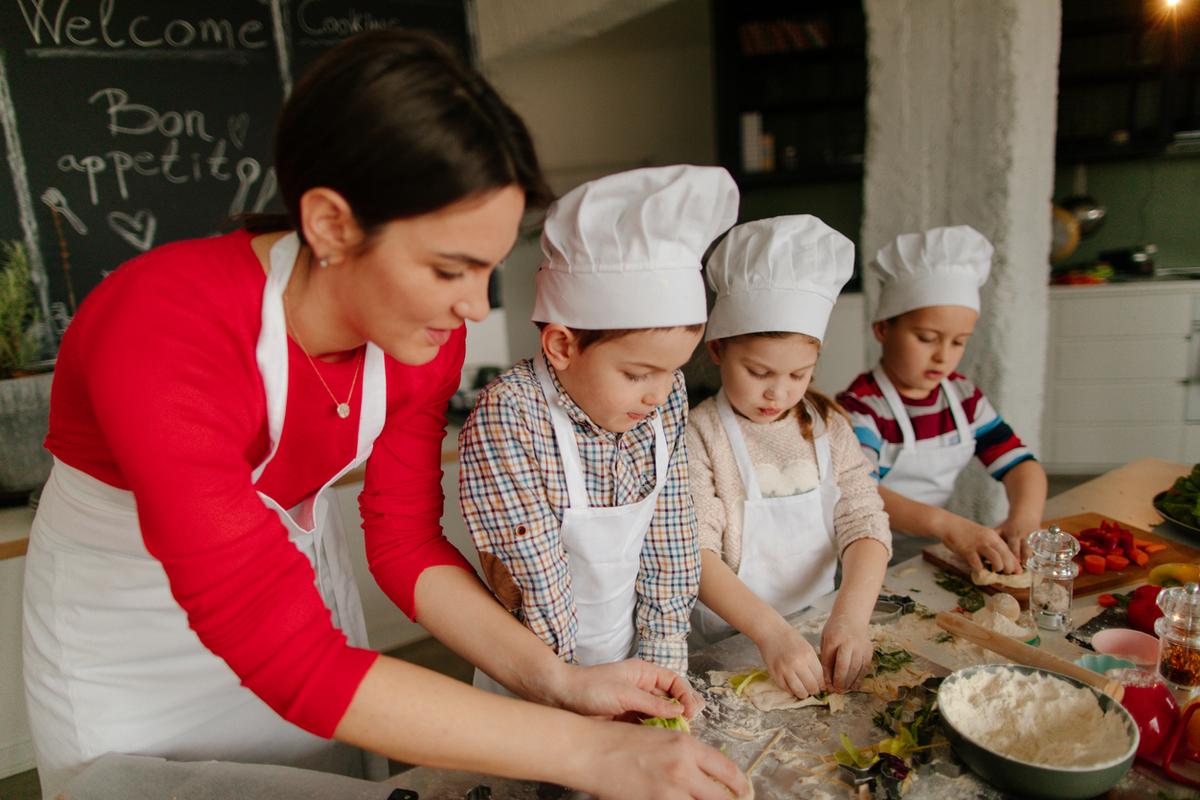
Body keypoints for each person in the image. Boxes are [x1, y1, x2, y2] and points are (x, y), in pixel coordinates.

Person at [22, 31, 748, 800]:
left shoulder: (423, 341)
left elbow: (403, 541)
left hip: (300, 615)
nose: (474, 306)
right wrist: (587, 753)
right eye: (448, 269)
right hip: (131, 638)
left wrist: (559, 680)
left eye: (487, 269)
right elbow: (289, 659)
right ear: (332, 224)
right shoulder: (165, 327)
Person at [459, 165, 739, 687]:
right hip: (535, 675)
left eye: (672, 371)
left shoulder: (664, 400)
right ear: (562, 346)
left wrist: (659, 665)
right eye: (637, 374)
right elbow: (533, 579)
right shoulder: (512, 416)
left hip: (629, 657)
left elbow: (670, 536)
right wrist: (574, 695)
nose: (658, 394)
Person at [687, 216, 892, 698]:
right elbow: (695, 554)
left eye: (800, 374)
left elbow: (865, 521)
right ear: (718, 349)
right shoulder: (701, 434)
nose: (779, 392)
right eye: (758, 371)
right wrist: (771, 633)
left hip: (820, 624)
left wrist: (851, 616)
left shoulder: (829, 425)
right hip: (734, 640)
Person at [836, 225, 1048, 573]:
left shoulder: (962, 398)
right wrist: (949, 525)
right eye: (927, 338)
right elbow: (862, 492)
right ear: (883, 329)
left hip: (929, 552)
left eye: (958, 342)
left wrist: (1023, 519)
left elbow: (1021, 464)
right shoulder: (862, 408)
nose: (942, 357)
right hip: (862, 555)